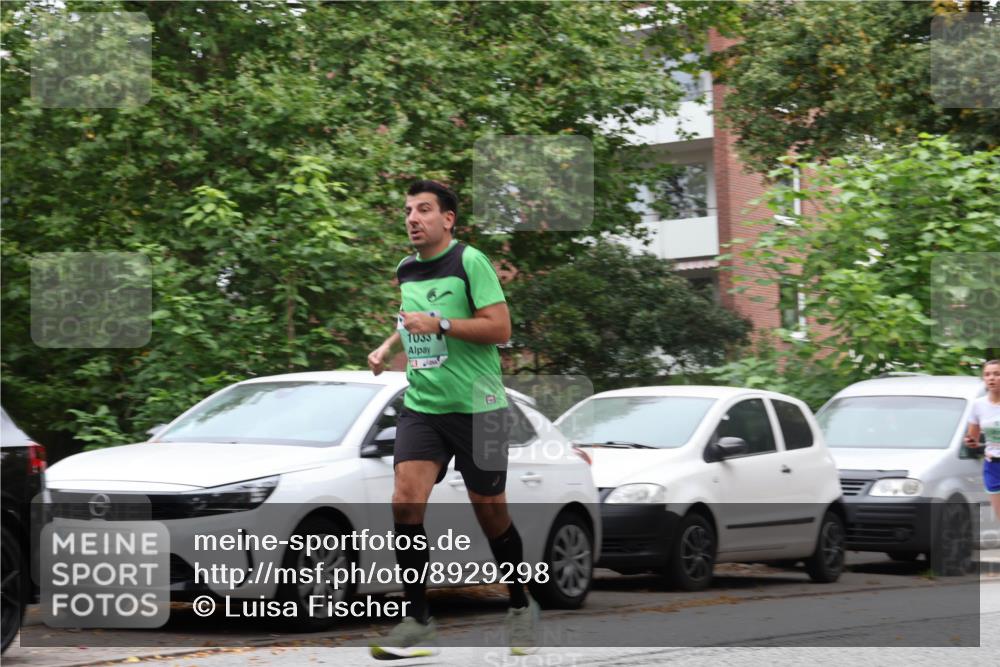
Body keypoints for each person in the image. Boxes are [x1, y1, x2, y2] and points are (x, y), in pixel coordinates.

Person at [366, 180, 539, 660]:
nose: (412, 219)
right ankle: (419, 621)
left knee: (491, 512)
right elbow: (412, 321)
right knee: (404, 501)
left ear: (448, 219)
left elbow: (500, 328)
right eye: (407, 211)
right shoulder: (406, 270)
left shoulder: (471, 262)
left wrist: (441, 324)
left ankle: (521, 607)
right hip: (425, 405)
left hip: (480, 407)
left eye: (423, 210)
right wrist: (389, 345)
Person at [964, 359, 1000, 521]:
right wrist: (970, 441)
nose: (991, 378)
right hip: (992, 466)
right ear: (984, 379)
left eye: (997, 374)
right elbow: (973, 437)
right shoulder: (978, 405)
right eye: (987, 374)